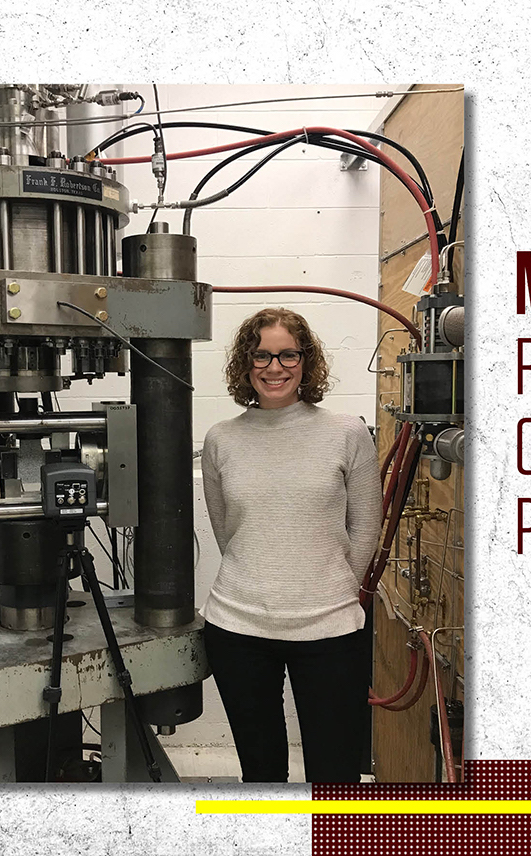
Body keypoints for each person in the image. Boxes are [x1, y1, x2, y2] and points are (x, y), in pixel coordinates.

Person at [200, 307, 383, 783]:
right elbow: (228, 531)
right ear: (245, 363)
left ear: (306, 361)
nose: (274, 367)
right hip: (238, 627)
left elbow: (366, 527)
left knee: (335, 771)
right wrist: (264, 575)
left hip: (330, 629)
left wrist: (332, 587)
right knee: (261, 773)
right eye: (261, 355)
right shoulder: (221, 439)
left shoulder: (347, 433)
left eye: (287, 355)